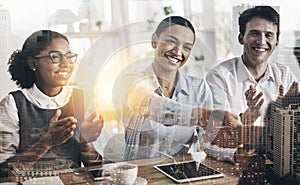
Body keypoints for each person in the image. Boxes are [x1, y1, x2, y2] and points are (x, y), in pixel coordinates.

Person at [112, 16, 240, 163]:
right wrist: (203, 116)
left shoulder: (199, 88)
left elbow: (208, 142)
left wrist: (235, 155)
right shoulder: (131, 80)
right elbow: (150, 105)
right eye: (171, 41)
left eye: (186, 47)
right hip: (141, 177)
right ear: (154, 40)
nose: (178, 52)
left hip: (180, 175)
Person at [0, 30, 104, 176]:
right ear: (33, 63)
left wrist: (85, 142)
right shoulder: (12, 105)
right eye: (55, 57)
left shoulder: (81, 99)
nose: (66, 64)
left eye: (68, 57)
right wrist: (46, 142)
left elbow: (97, 171)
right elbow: (3, 172)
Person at [206, 6, 299, 148]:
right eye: (255, 34)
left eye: (268, 35)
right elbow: (214, 137)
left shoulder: (285, 75)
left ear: (277, 42)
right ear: (241, 38)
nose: (261, 41)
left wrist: (284, 117)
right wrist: (245, 119)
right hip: (236, 162)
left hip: (277, 161)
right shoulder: (219, 77)